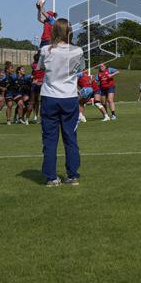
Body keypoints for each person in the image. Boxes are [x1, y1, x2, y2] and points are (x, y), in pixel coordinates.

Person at [37, 18, 83, 187]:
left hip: (50, 96)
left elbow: (40, 68)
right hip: (69, 97)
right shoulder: (77, 50)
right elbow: (80, 70)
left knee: (49, 139)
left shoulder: (45, 50)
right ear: (69, 32)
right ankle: (72, 175)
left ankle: (51, 177)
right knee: (70, 137)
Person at [31, 53, 44, 121]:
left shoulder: (33, 65)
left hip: (35, 83)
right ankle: (42, 116)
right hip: (42, 83)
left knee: (35, 101)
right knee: (42, 101)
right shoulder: (42, 65)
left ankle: (35, 115)